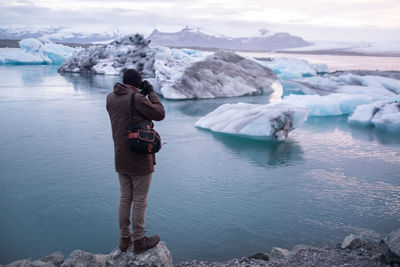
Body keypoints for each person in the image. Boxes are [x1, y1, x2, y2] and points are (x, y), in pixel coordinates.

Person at [106, 69, 165, 253]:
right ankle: (139, 240)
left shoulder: (110, 98)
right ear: (138, 84)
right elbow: (160, 113)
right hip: (139, 159)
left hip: (120, 158)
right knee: (140, 200)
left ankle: (125, 239)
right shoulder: (137, 99)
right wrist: (151, 93)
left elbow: (126, 113)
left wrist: (139, 93)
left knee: (125, 198)